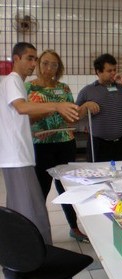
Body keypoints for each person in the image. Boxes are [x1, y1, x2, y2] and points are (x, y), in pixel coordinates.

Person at [0, 42, 79, 244]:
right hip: (18, 155)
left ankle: (26, 251)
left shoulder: (16, 81)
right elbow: (21, 108)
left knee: (25, 206)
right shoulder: (15, 81)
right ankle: (32, 253)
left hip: (24, 154)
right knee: (30, 208)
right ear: (16, 59)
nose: (34, 64)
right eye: (30, 58)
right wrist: (56, 106)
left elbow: (20, 114)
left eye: (35, 59)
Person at [25, 49, 88, 242]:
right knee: (40, 190)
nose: (49, 68)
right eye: (45, 63)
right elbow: (26, 118)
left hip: (65, 143)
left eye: (54, 64)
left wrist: (84, 109)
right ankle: (38, 233)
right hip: (41, 145)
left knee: (67, 189)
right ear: (37, 64)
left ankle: (74, 227)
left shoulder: (64, 88)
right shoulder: (29, 88)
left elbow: (72, 117)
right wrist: (51, 111)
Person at [76, 53, 122, 162]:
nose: (113, 73)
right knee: (100, 177)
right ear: (98, 72)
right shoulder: (87, 91)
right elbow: (76, 116)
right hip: (99, 144)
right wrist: (85, 105)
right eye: (109, 71)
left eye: (114, 70)